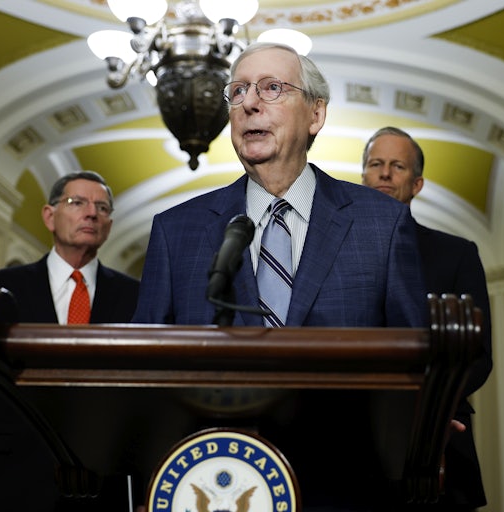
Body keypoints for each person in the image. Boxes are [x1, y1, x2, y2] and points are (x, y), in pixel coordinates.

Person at [131, 43, 427, 509]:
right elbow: (143, 373)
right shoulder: (177, 230)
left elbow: (416, 358)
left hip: (347, 484)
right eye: (238, 91)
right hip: (214, 483)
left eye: (271, 88)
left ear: (315, 114)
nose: (249, 103)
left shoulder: (381, 224)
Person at [0, 171, 140, 512]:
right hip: (9, 482)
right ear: (50, 216)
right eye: (77, 202)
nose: (91, 213)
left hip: (103, 488)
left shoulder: (135, 296)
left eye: (102, 207)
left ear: (108, 225)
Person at [361, 126, 492, 511]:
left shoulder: (456, 254)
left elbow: (477, 355)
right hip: (351, 438)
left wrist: (425, 408)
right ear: (363, 177)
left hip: (440, 437)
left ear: (416, 183)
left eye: (397, 166)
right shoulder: (330, 255)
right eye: (376, 164)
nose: (385, 173)